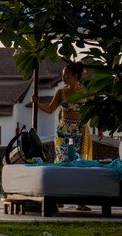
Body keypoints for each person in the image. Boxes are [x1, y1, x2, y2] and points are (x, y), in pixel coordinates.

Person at [32, 61, 93, 210]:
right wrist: (37, 103)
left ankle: (80, 201)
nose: (63, 77)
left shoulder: (86, 92)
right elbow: (50, 109)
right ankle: (60, 198)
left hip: (80, 129)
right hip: (63, 130)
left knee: (79, 163)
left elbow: (95, 111)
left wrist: (100, 130)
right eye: (62, 75)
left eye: (66, 75)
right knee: (62, 161)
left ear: (75, 75)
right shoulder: (61, 92)